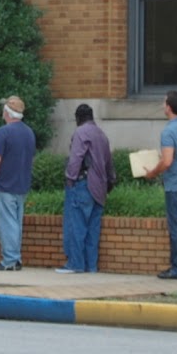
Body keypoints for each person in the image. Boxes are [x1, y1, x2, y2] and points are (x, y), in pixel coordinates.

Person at [143, 90, 177, 280]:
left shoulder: (169, 131)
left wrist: (152, 172)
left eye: (164, 102)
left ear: (168, 107)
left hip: (176, 184)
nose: (162, 105)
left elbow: (167, 162)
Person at [59, 103, 114, 273]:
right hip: (100, 187)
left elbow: (76, 158)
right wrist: (110, 181)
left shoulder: (81, 133)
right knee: (92, 230)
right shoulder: (101, 134)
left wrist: (70, 179)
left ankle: (76, 264)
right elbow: (109, 162)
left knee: (77, 226)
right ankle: (91, 266)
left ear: (78, 118)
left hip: (83, 184)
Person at [0, 95, 35, 271]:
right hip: (21, 184)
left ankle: (10, 260)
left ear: (7, 112)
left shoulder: (4, 132)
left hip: (4, 185)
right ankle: (15, 257)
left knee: (6, 223)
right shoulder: (29, 132)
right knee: (16, 223)